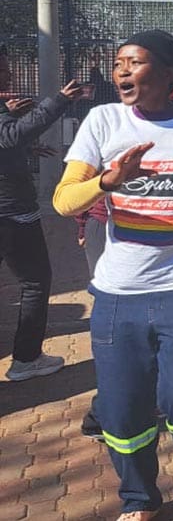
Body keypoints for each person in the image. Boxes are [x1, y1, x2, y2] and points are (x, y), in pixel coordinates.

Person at [52, 30, 173, 521]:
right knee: (121, 406)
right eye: (119, 63)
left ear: (169, 72)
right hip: (119, 293)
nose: (122, 71)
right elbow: (64, 200)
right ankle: (138, 499)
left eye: (134, 63)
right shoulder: (103, 120)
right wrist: (108, 180)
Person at [0, 80, 83, 381]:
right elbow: (10, 135)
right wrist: (58, 100)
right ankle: (26, 359)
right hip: (12, 214)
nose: (8, 77)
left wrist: (23, 145)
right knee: (35, 282)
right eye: (2, 70)